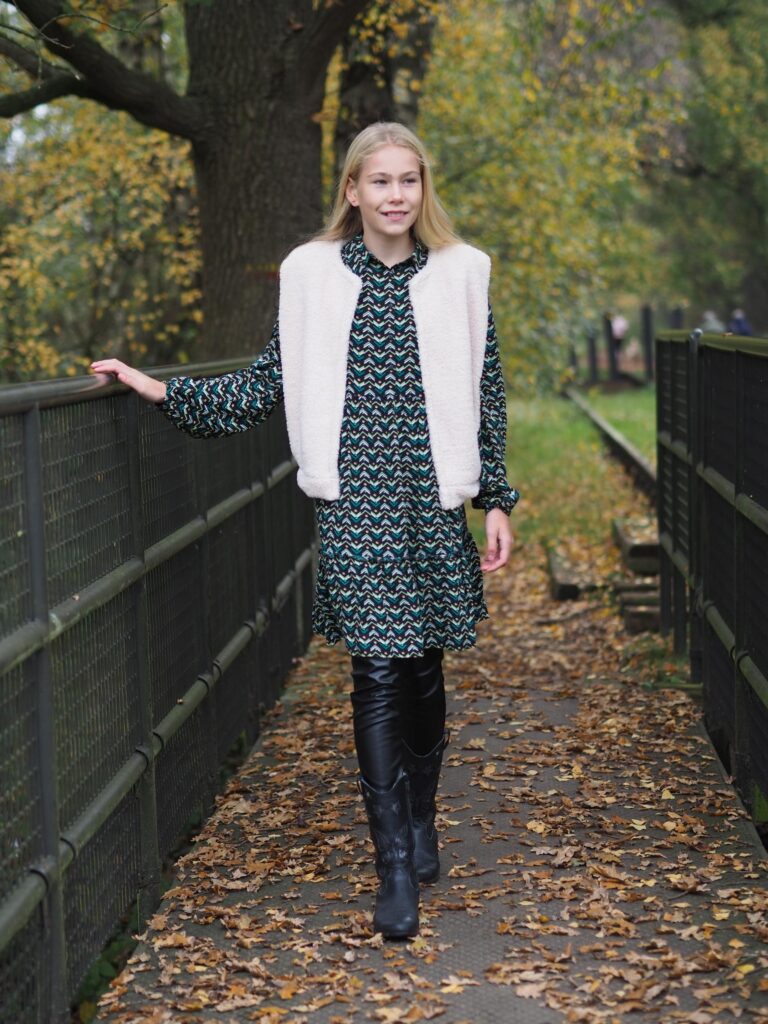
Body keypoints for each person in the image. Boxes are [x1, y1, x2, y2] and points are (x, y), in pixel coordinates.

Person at [91, 121, 520, 942]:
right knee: (378, 674)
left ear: (423, 189)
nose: (396, 195)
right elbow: (268, 383)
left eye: (408, 180)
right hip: (355, 505)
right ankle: (394, 866)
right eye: (380, 181)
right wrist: (161, 390)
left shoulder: (464, 273)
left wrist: (495, 498)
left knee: (423, 672)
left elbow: (486, 391)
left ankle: (421, 817)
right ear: (352, 190)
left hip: (433, 503)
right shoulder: (311, 275)